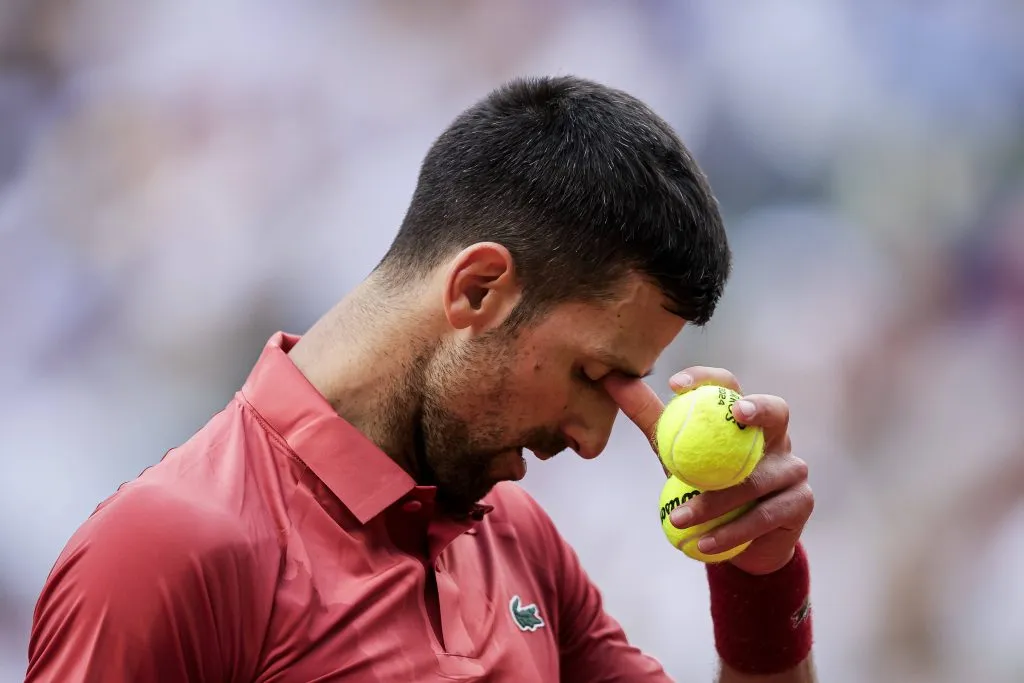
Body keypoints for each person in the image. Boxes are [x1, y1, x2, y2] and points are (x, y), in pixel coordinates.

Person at [25, 76, 816, 682]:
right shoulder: (166, 551)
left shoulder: (517, 537)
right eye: (594, 375)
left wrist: (759, 575)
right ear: (478, 289)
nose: (591, 438)